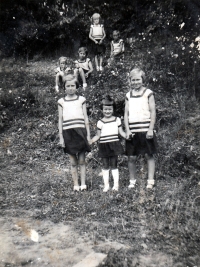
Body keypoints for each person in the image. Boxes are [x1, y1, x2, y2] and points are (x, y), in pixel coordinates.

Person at [124, 68, 157, 189]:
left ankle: (150, 181)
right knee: (131, 157)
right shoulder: (128, 95)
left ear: (143, 80)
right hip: (133, 130)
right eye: (133, 80)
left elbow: (153, 112)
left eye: (138, 79)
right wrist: (127, 129)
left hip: (145, 128)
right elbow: (126, 114)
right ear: (130, 81)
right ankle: (132, 181)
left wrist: (150, 129)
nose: (135, 82)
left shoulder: (148, 93)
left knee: (149, 155)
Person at [58, 74, 91, 191]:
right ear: (64, 87)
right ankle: (75, 184)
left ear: (77, 87)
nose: (71, 88)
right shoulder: (61, 101)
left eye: (73, 86)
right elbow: (60, 120)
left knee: (82, 160)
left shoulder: (81, 100)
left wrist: (88, 135)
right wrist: (61, 137)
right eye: (68, 86)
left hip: (80, 131)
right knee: (73, 162)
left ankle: (83, 184)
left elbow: (86, 118)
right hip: (68, 132)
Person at [90, 95, 126, 192]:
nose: (107, 111)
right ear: (102, 110)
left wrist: (127, 135)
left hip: (114, 144)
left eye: (109, 109)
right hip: (104, 145)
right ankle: (106, 186)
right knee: (105, 165)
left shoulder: (117, 120)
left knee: (114, 165)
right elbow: (98, 135)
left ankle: (116, 186)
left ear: (113, 109)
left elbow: (121, 132)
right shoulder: (100, 122)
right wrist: (92, 140)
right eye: (105, 109)